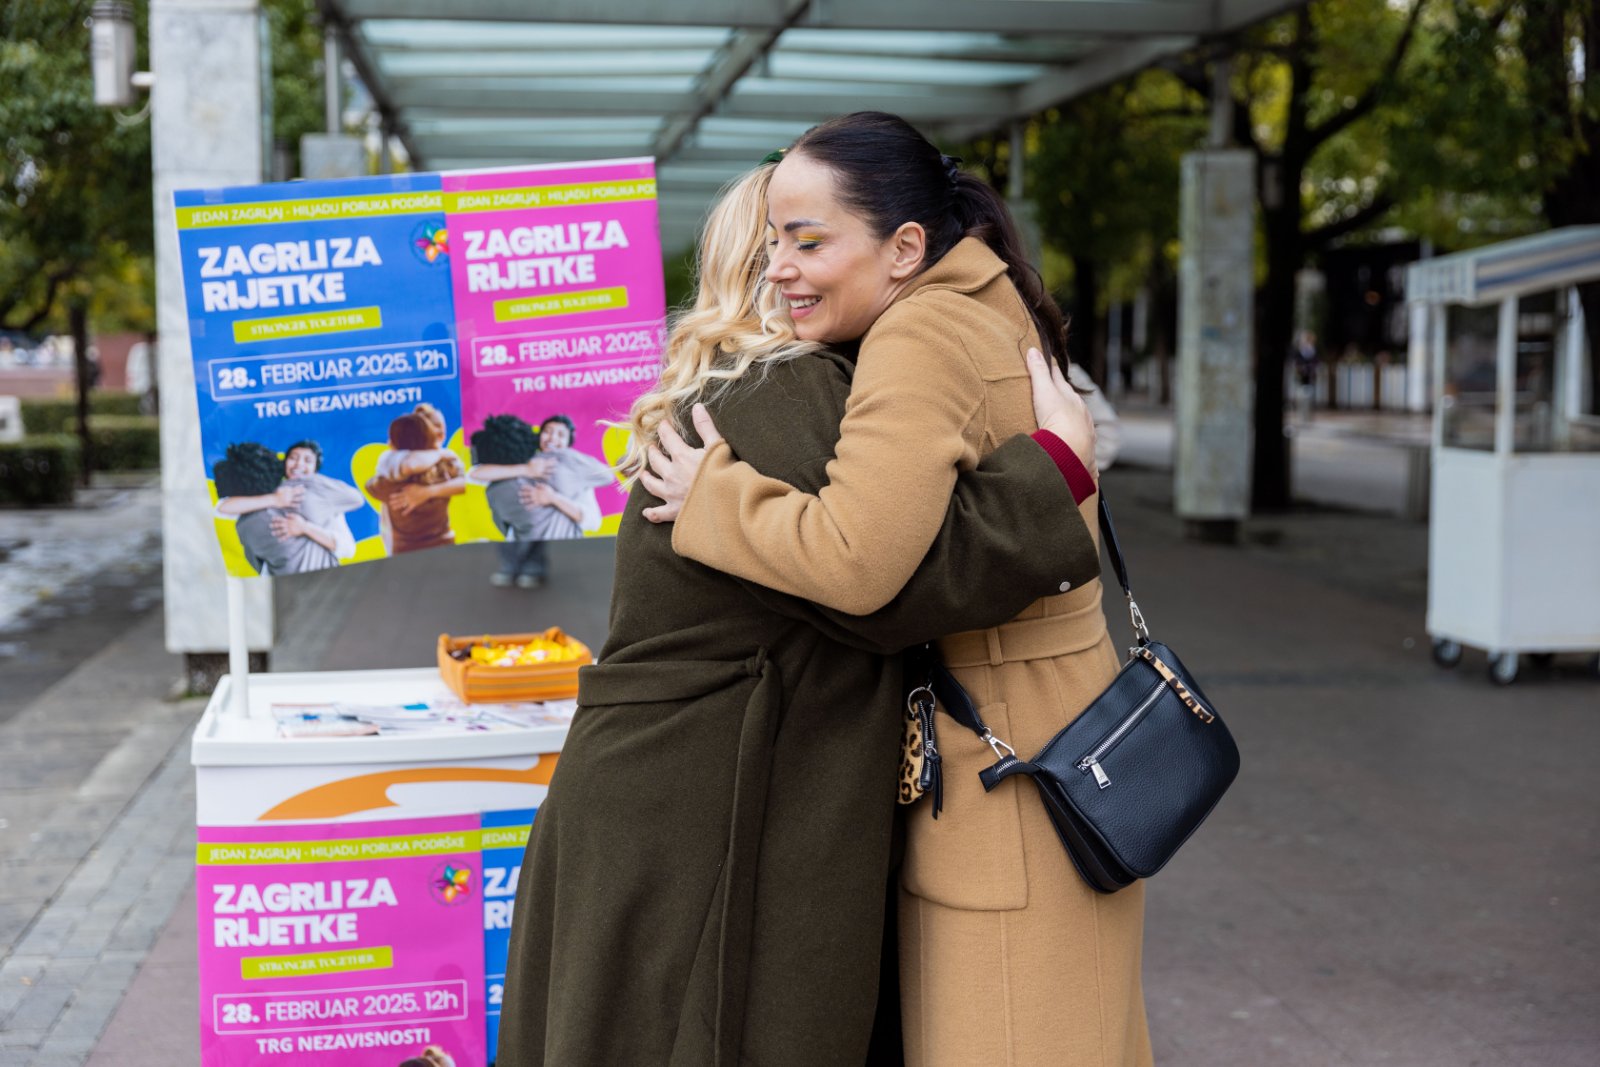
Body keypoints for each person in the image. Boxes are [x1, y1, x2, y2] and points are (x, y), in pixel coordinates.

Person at [496, 163, 1103, 1066]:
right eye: (791, 240)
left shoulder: (738, 386)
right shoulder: (787, 394)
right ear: (763, 260)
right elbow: (887, 581)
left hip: (668, 804)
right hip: (700, 822)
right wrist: (1057, 468)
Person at [643, 113, 1151, 1065]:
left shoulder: (920, 333)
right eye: (771, 243)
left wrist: (716, 499)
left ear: (905, 245)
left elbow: (855, 559)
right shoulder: (995, 294)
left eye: (807, 241)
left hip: (1007, 772)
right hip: (1064, 743)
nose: (782, 267)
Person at [214, 439, 363, 571]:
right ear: (283, 462)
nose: (299, 464)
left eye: (308, 460)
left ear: (315, 468)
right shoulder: (265, 488)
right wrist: (275, 499)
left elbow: (348, 549)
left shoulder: (323, 497)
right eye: (293, 458)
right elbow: (222, 508)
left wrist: (305, 527)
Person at [366, 403, 465, 554]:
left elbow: (371, 486)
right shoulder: (445, 467)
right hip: (443, 544)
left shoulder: (389, 481)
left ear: (392, 444)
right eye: (436, 427)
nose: (441, 433)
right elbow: (412, 465)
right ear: (429, 435)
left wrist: (427, 492)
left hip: (404, 551)